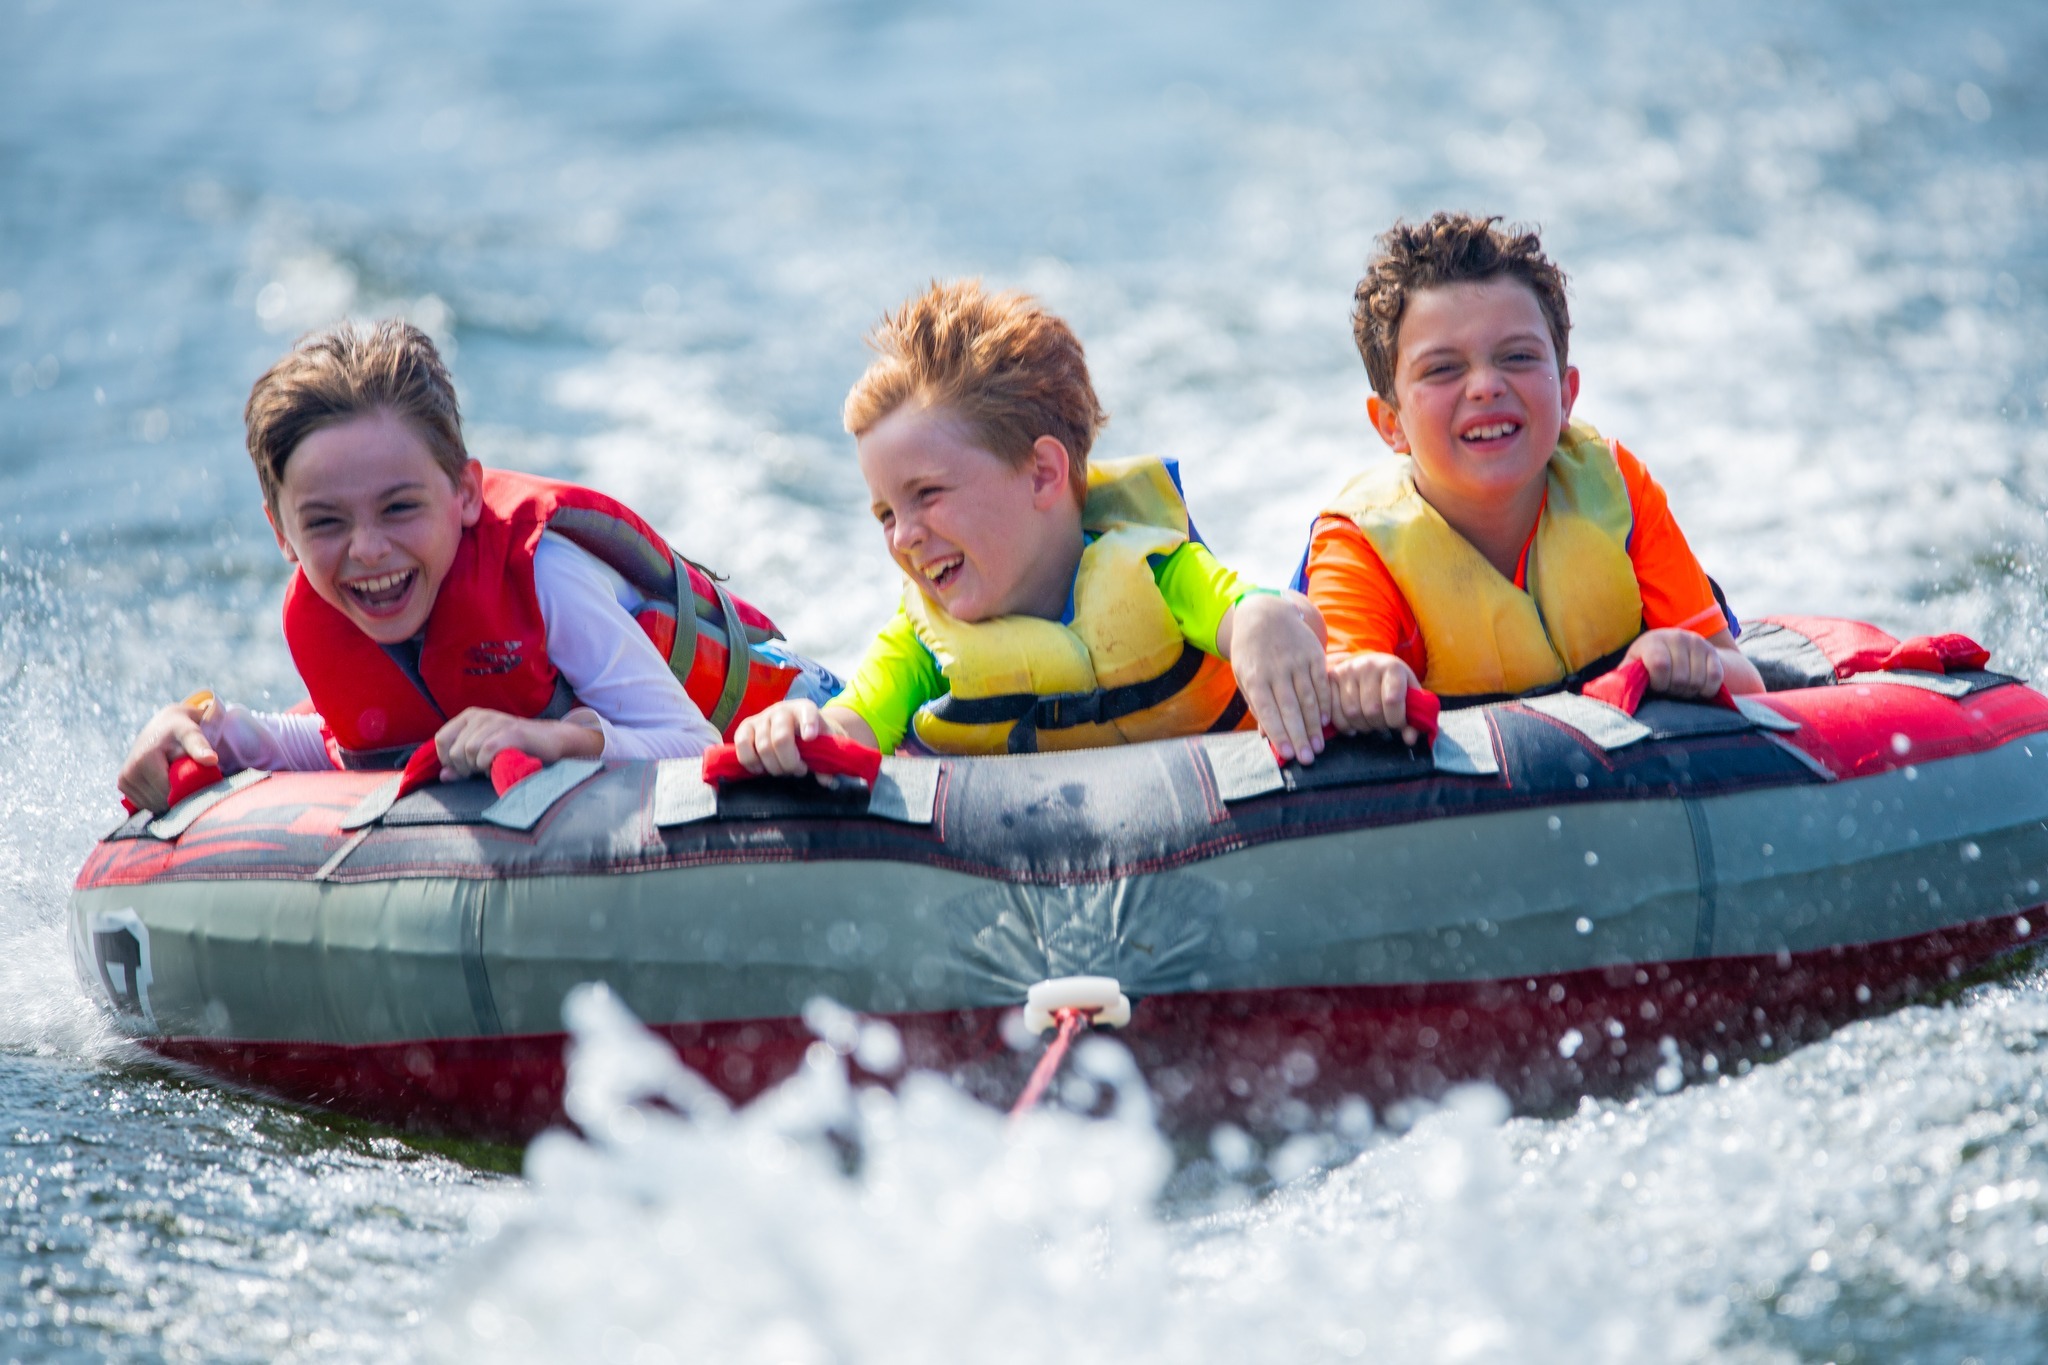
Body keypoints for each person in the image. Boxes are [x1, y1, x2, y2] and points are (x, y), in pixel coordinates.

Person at [117, 319, 836, 812]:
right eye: (326, 523)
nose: (366, 549)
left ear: (465, 494)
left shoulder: (543, 574)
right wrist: (212, 733)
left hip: (795, 721)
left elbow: (691, 743)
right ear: (282, 534)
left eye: (399, 508)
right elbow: (353, 743)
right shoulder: (328, 610)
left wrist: (551, 739)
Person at [733, 280, 1331, 773]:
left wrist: (1262, 618)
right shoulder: (922, 642)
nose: (903, 536)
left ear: (1043, 473)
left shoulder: (1156, 571)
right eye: (886, 514)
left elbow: (1240, 608)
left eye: (928, 494)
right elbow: (853, 722)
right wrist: (796, 729)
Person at [1298, 212, 1762, 742]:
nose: (1486, 386)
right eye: (1443, 369)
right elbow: (1333, 697)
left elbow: (1747, 680)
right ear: (1390, 423)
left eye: (1517, 357)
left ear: (1566, 395)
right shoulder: (1361, 546)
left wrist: (1686, 662)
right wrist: (1361, 685)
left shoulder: (1617, 487)